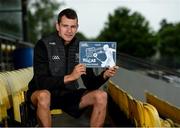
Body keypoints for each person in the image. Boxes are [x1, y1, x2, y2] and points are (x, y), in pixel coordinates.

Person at [26, 8, 117, 127]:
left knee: (101, 96)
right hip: (42, 93)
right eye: (65, 26)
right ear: (58, 26)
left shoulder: (82, 47)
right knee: (44, 95)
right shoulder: (43, 45)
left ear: (77, 28)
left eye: (73, 27)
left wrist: (104, 75)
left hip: (68, 94)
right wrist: (70, 77)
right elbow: (41, 82)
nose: (69, 30)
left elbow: (90, 84)